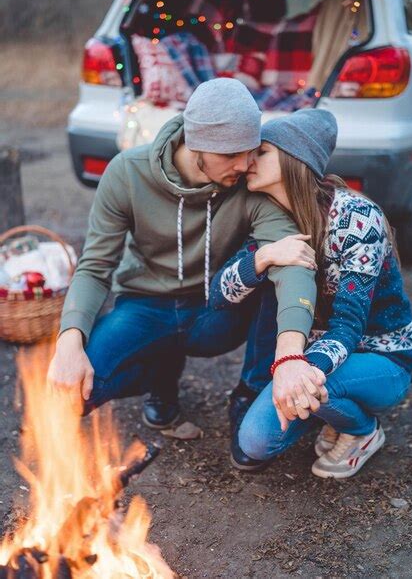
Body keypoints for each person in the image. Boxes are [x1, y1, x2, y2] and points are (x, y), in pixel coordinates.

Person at [48, 78, 322, 471]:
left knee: (273, 277)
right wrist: (69, 343)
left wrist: (291, 355)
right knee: (70, 394)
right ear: (197, 146)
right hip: (144, 306)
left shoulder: (250, 184)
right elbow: (95, 266)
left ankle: (249, 397)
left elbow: (293, 260)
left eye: (251, 151)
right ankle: (158, 377)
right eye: (233, 154)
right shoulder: (127, 173)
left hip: (215, 311)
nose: (247, 165)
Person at [210, 108, 412, 478]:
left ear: (295, 158)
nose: (249, 161)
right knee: (254, 442)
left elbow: (348, 328)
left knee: (317, 386)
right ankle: (330, 407)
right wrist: (263, 258)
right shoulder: (270, 218)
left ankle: (362, 431)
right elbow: (219, 296)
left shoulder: (356, 218)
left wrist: (298, 370)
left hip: (382, 357)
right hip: (310, 362)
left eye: (263, 152)